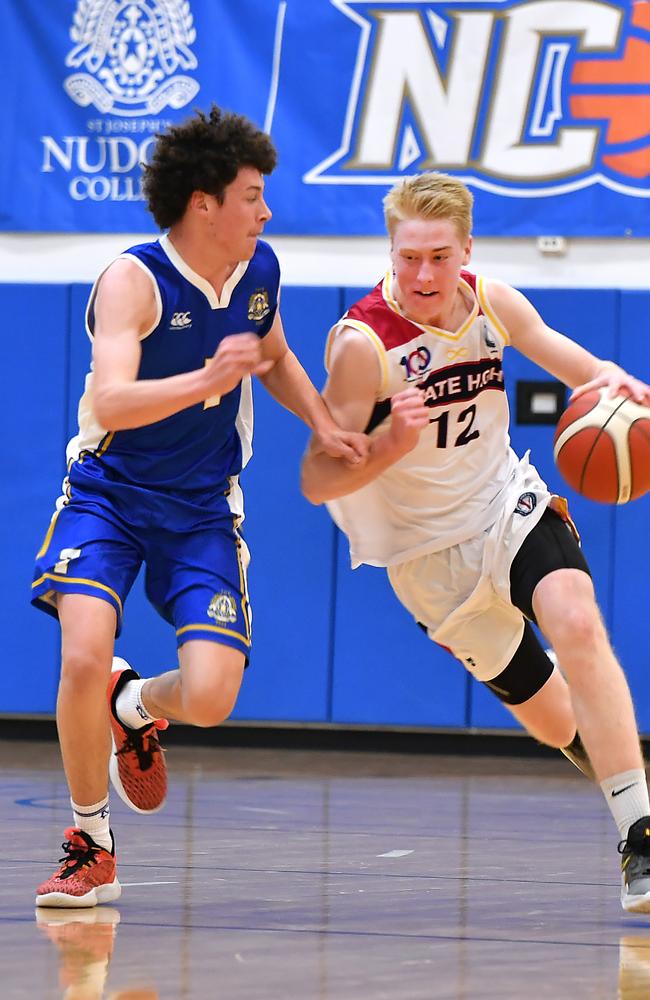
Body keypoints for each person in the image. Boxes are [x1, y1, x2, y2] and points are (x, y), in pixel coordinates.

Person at [31, 105, 366, 908]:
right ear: (204, 202)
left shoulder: (259, 273)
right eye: (253, 194)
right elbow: (110, 401)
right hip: (109, 495)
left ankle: (132, 704)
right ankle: (89, 841)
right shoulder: (132, 281)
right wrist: (207, 381)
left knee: (212, 697)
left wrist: (325, 423)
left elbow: (275, 353)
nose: (267, 209)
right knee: (81, 652)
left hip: (203, 506)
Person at [300, 171, 650, 914]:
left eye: (438, 256)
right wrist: (389, 444)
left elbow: (574, 363)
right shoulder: (363, 345)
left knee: (578, 619)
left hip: (504, 506)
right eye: (408, 258)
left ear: (466, 249)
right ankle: (623, 770)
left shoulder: (492, 302)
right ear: (389, 251)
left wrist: (618, 387)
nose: (423, 274)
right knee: (557, 721)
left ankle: (640, 838)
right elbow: (315, 478)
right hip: (426, 559)